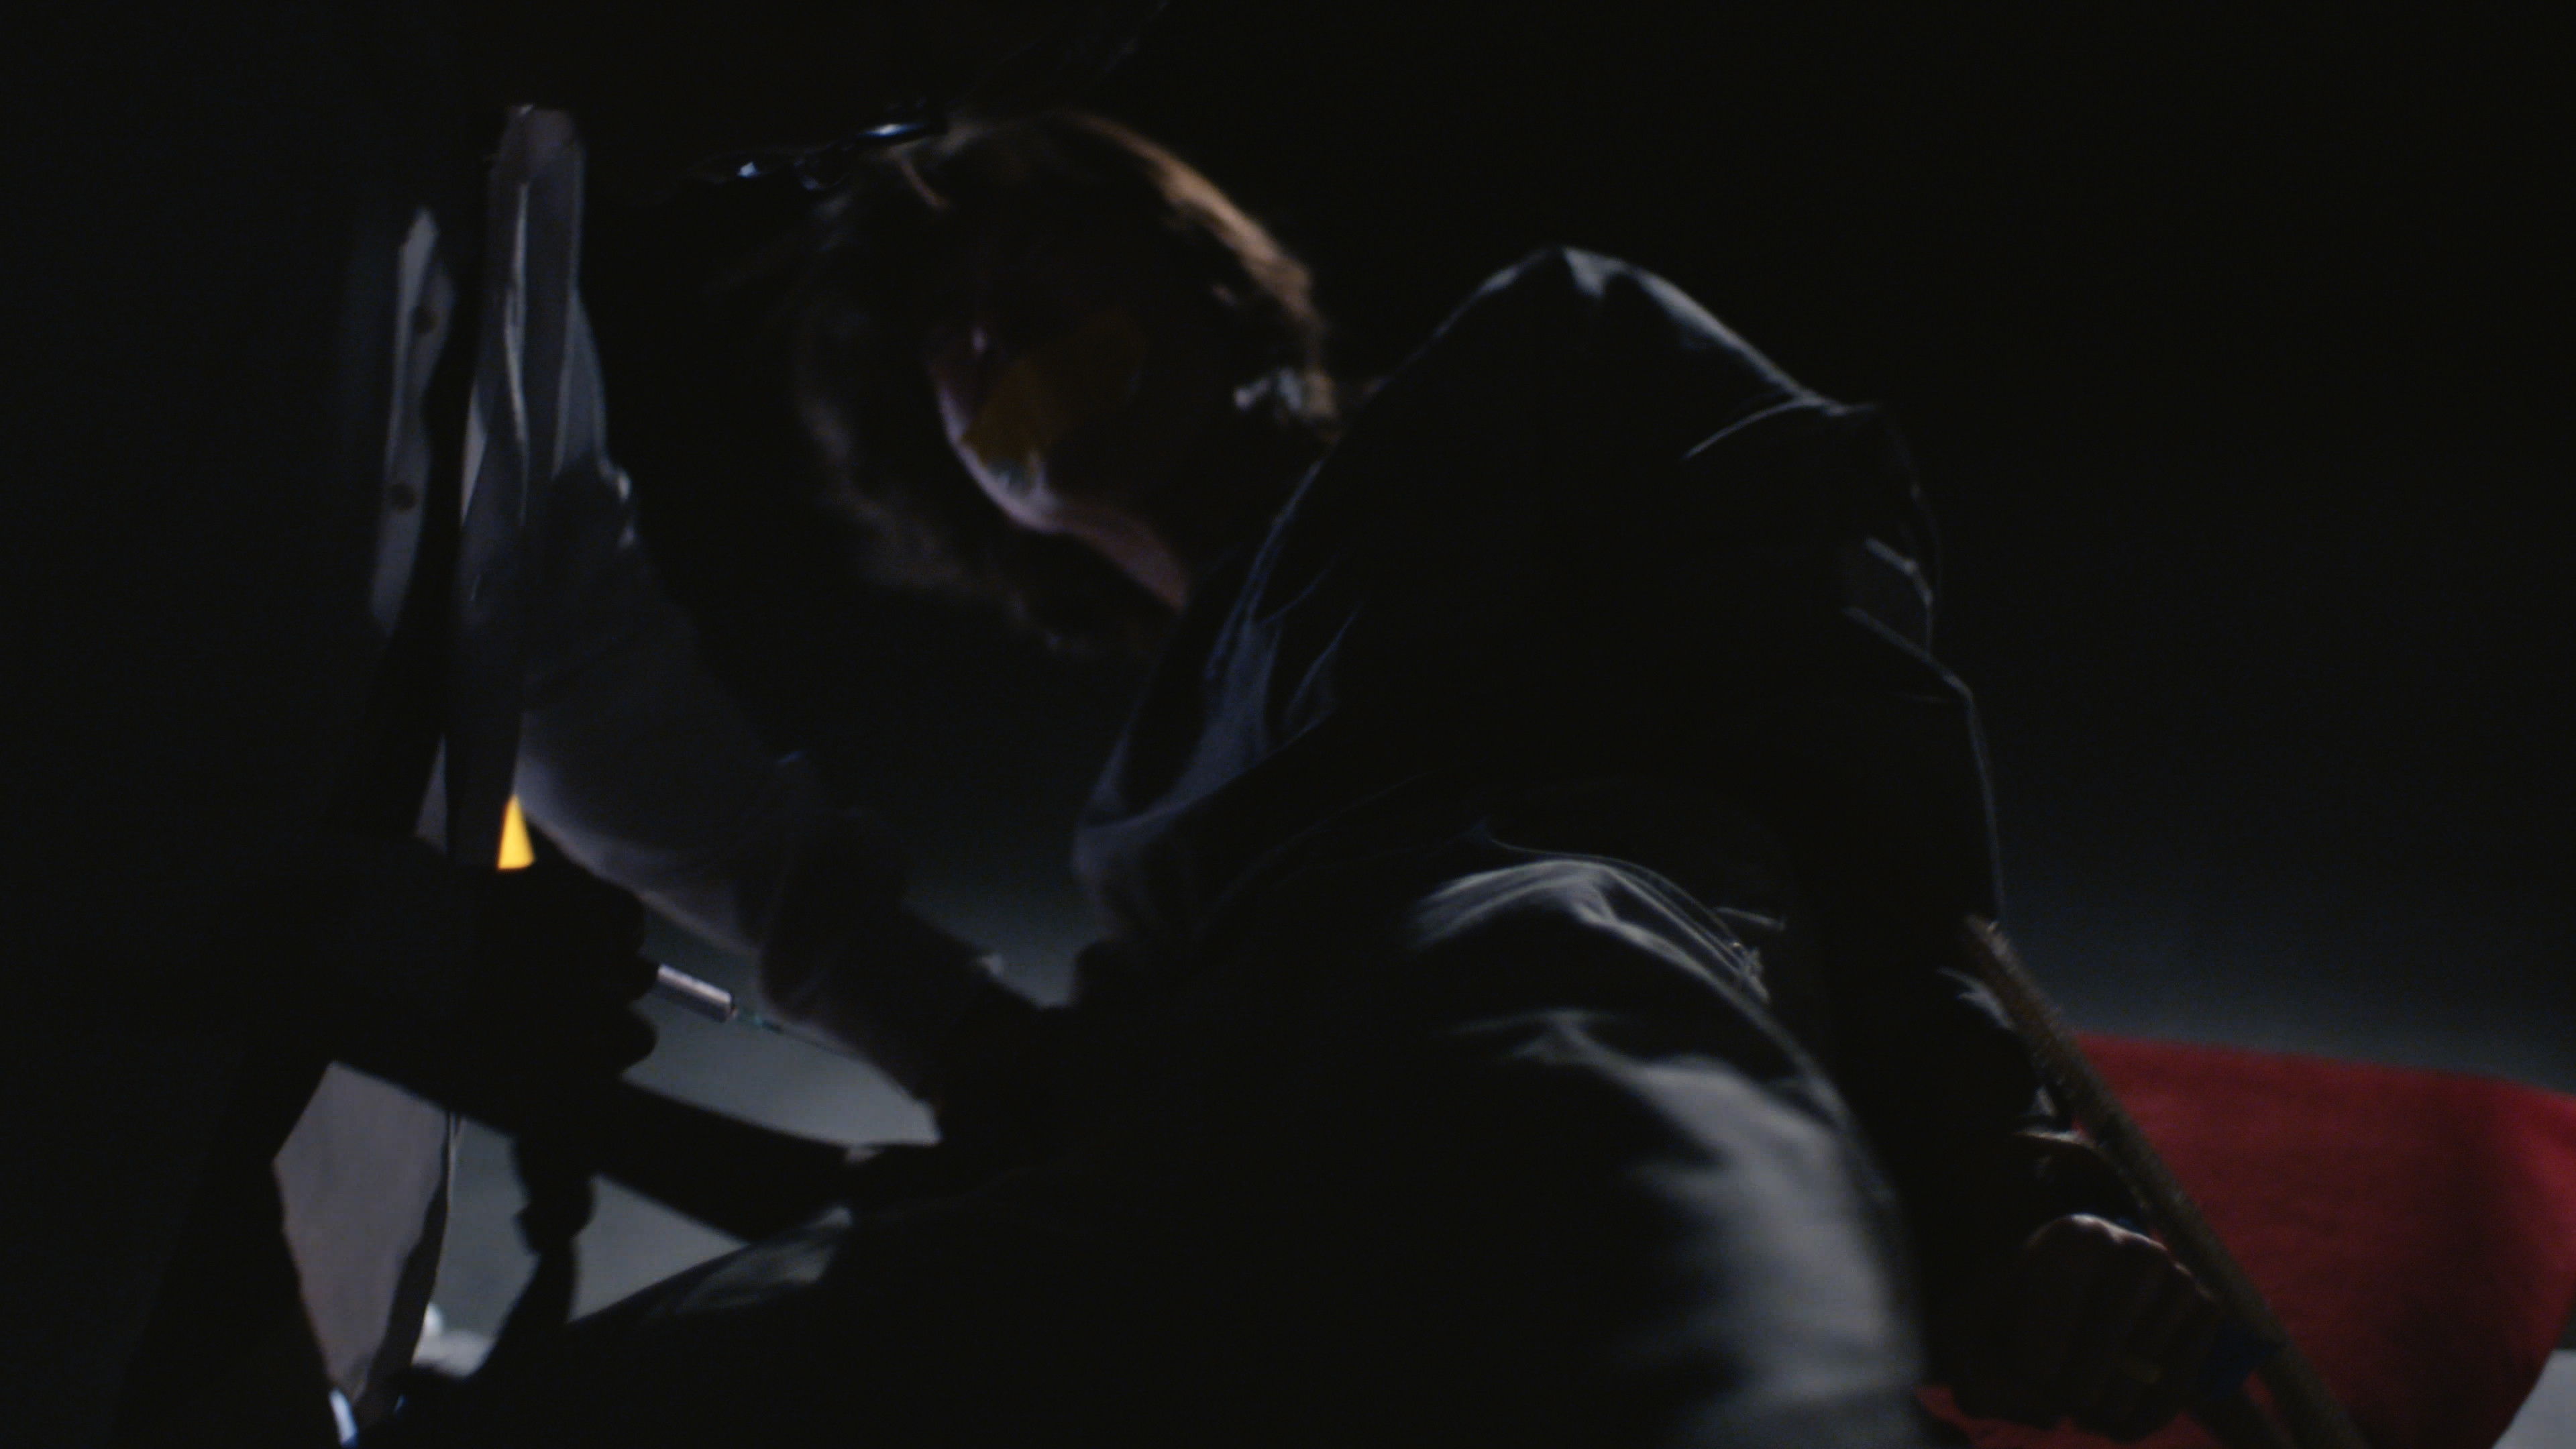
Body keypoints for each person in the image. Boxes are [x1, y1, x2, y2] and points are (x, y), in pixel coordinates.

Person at [393, 112, 2228, 1446]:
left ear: (1200, 271)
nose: (991, 328)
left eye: (1037, 256)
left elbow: (1847, 736)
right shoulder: (1148, 825)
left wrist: (1992, 1187)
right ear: (968, 486)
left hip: (1548, 927)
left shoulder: (1542, 355)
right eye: (950, 333)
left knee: (1544, 1003)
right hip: (1220, 1144)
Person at [0, 7, 1160, 1445]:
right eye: (890, 82)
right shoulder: (133, 99)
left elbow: (571, 634)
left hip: (163, 1196)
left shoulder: (499, 164)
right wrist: (402, 947)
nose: (828, 156)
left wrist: (933, 1014)